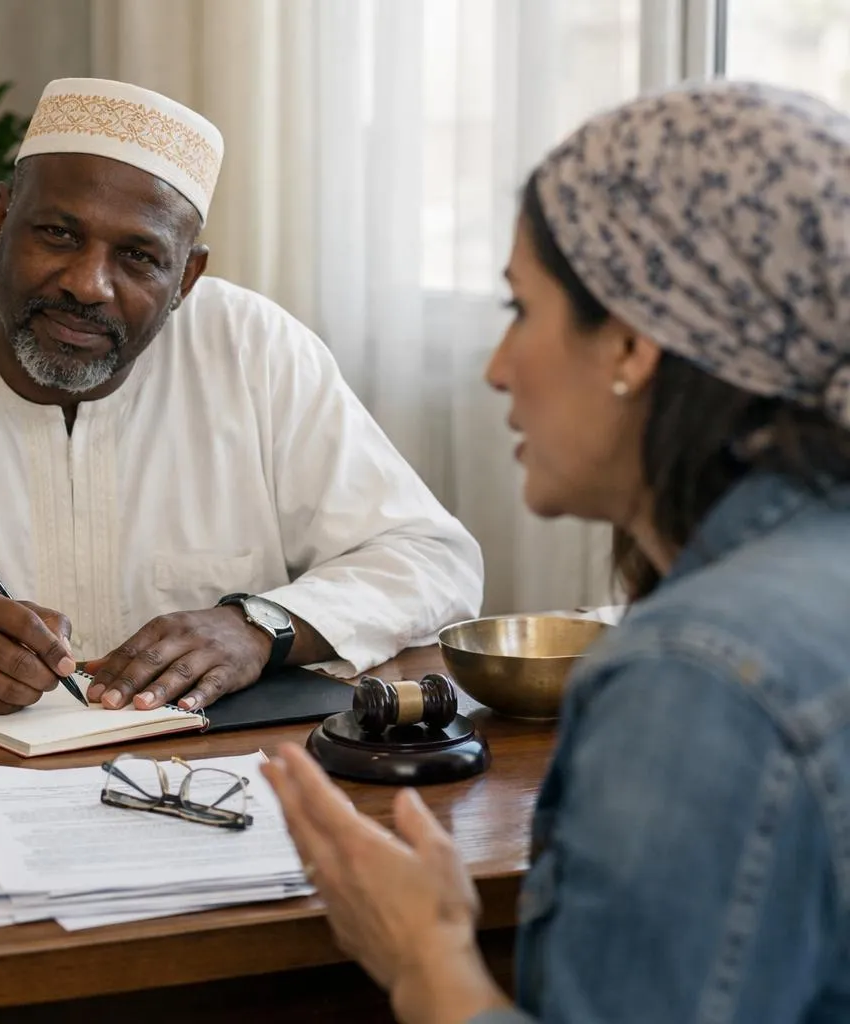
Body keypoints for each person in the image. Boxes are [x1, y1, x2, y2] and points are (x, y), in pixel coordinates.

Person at [264, 80, 850, 1023]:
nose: (496, 367)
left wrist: (424, 961)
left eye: (520, 309)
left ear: (629, 343)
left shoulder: (697, 676)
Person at [0, 77, 484, 716]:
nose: (87, 285)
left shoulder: (256, 350)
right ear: (1, 218)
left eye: (139, 257)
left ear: (187, 279)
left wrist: (261, 627)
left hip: (206, 782)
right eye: (59, 235)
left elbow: (429, 559)